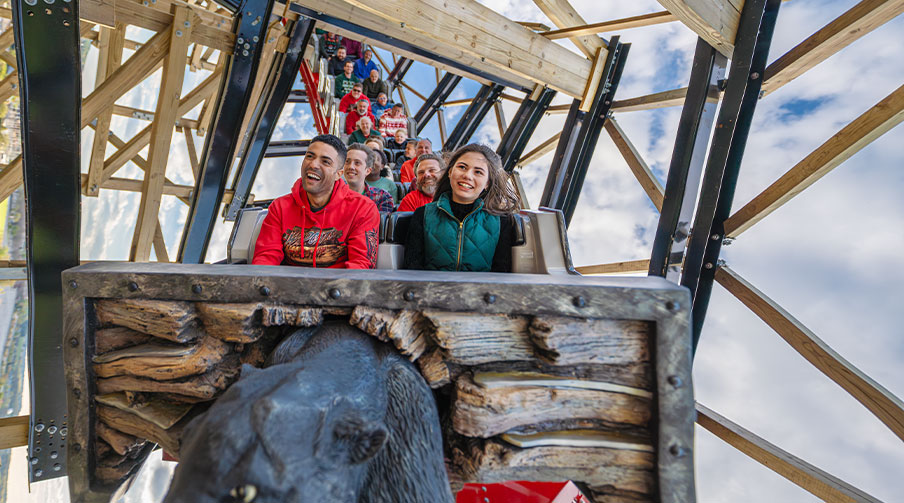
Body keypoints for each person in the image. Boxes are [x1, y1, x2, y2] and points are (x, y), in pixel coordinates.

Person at [251, 134, 379, 268]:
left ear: (338, 174)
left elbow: (360, 266)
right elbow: (265, 259)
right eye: (310, 156)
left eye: (325, 162)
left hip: (338, 287)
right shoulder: (280, 207)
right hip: (286, 286)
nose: (313, 164)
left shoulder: (363, 209)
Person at [403, 144, 519, 272]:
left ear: (488, 183)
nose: (467, 176)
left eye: (478, 172)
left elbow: (501, 275)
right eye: (462, 167)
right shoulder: (423, 214)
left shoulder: (502, 222)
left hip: (481, 292)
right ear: (450, 172)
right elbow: (412, 270)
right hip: (431, 291)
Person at [344, 143, 394, 213]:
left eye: (357, 163)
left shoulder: (383, 197)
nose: (351, 166)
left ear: (368, 171)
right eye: (347, 161)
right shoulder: (332, 194)